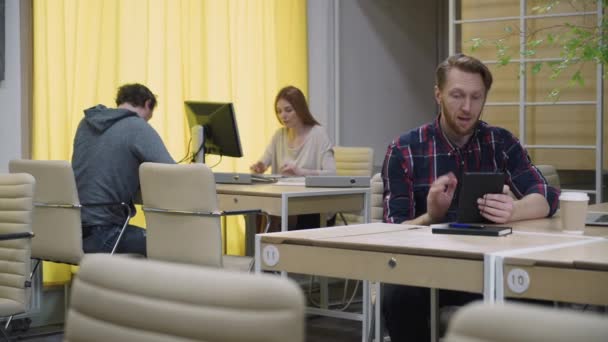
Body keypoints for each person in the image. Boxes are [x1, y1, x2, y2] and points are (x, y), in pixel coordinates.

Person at [380, 54, 560, 341]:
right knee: (398, 296)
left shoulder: (500, 142)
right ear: (438, 94)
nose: (467, 107)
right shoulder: (404, 150)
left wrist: (512, 210)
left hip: (489, 264)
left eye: (476, 97)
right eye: (457, 95)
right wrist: (431, 217)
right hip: (428, 268)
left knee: (537, 294)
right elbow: (389, 234)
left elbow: (546, 196)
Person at [72, 83, 175, 256]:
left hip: (72, 233)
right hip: (105, 235)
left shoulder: (86, 123)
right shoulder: (136, 126)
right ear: (148, 104)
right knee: (175, 245)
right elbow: (174, 174)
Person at [250, 85, 336, 229]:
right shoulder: (279, 136)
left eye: (288, 110)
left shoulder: (318, 134)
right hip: (285, 204)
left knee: (293, 215)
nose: (283, 115)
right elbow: (264, 162)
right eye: (279, 111)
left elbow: (332, 174)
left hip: (313, 206)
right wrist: (259, 167)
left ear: (300, 109)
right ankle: (261, 249)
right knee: (256, 210)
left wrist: (301, 172)